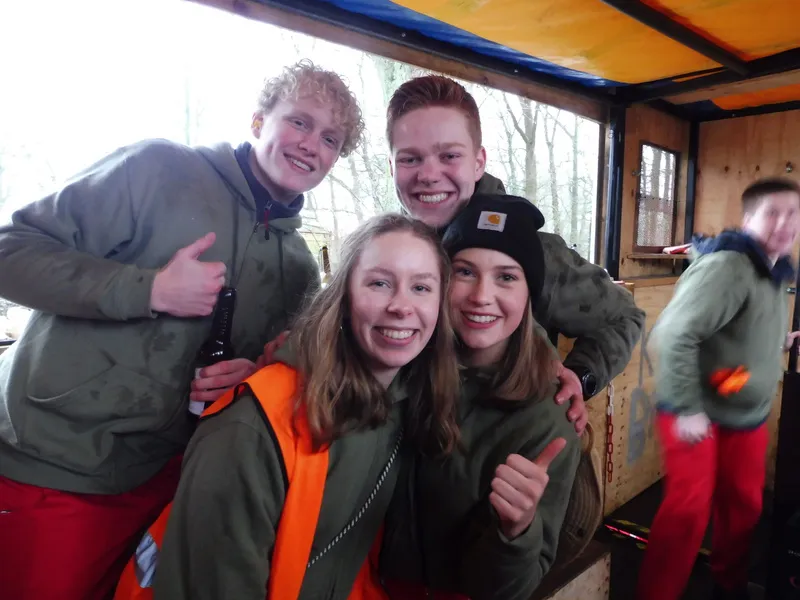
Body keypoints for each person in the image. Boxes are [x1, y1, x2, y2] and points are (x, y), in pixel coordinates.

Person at [0, 60, 364, 600]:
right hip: (54, 467)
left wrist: (247, 377)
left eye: (331, 139)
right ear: (258, 121)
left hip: (172, 485)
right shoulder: (158, 169)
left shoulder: (300, 271)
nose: (312, 144)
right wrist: (147, 289)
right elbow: (11, 253)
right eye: (299, 122)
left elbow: (255, 383)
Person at [138, 214, 461, 600]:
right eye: (379, 283)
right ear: (343, 298)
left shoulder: (405, 403)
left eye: (421, 287)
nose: (401, 306)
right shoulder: (249, 431)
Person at [385, 74, 646, 433]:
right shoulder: (389, 254)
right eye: (410, 159)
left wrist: (581, 375)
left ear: (478, 162)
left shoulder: (534, 253)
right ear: (391, 166)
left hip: (514, 450)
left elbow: (624, 315)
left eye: (449, 155)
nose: (429, 174)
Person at [380, 194, 582, 600]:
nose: (480, 296)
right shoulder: (402, 365)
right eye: (464, 272)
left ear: (528, 295)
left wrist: (517, 530)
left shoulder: (548, 419)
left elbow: (511, 590)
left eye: (506, 277)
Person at [636, 178, 800, 600]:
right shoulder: (729, 267)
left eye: (793, 213)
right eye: (772, 213)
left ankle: (729, 587)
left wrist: (779, 342)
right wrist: (687, 407)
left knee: (743, 507)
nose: (785, 223)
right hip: (696, 411)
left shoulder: (775, 270)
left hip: (745, 414)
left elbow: (741, 327)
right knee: (688, 511)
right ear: (748, 220)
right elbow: (672, 336)